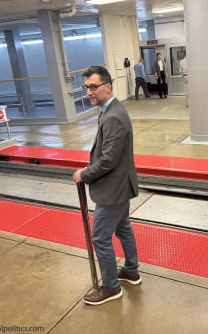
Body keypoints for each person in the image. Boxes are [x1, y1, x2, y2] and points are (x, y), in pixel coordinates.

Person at [73, 66, 141, 306]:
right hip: (121, 185)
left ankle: (111, 287)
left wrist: (85, 174)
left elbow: (108, 160)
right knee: (123, 229)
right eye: (86, 87)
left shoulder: (113, 116)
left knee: (100, 238)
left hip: (113, 189)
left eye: (93, 87)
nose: (89, 92)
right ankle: (131, 271)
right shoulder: (108, 110)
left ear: (107, 86)